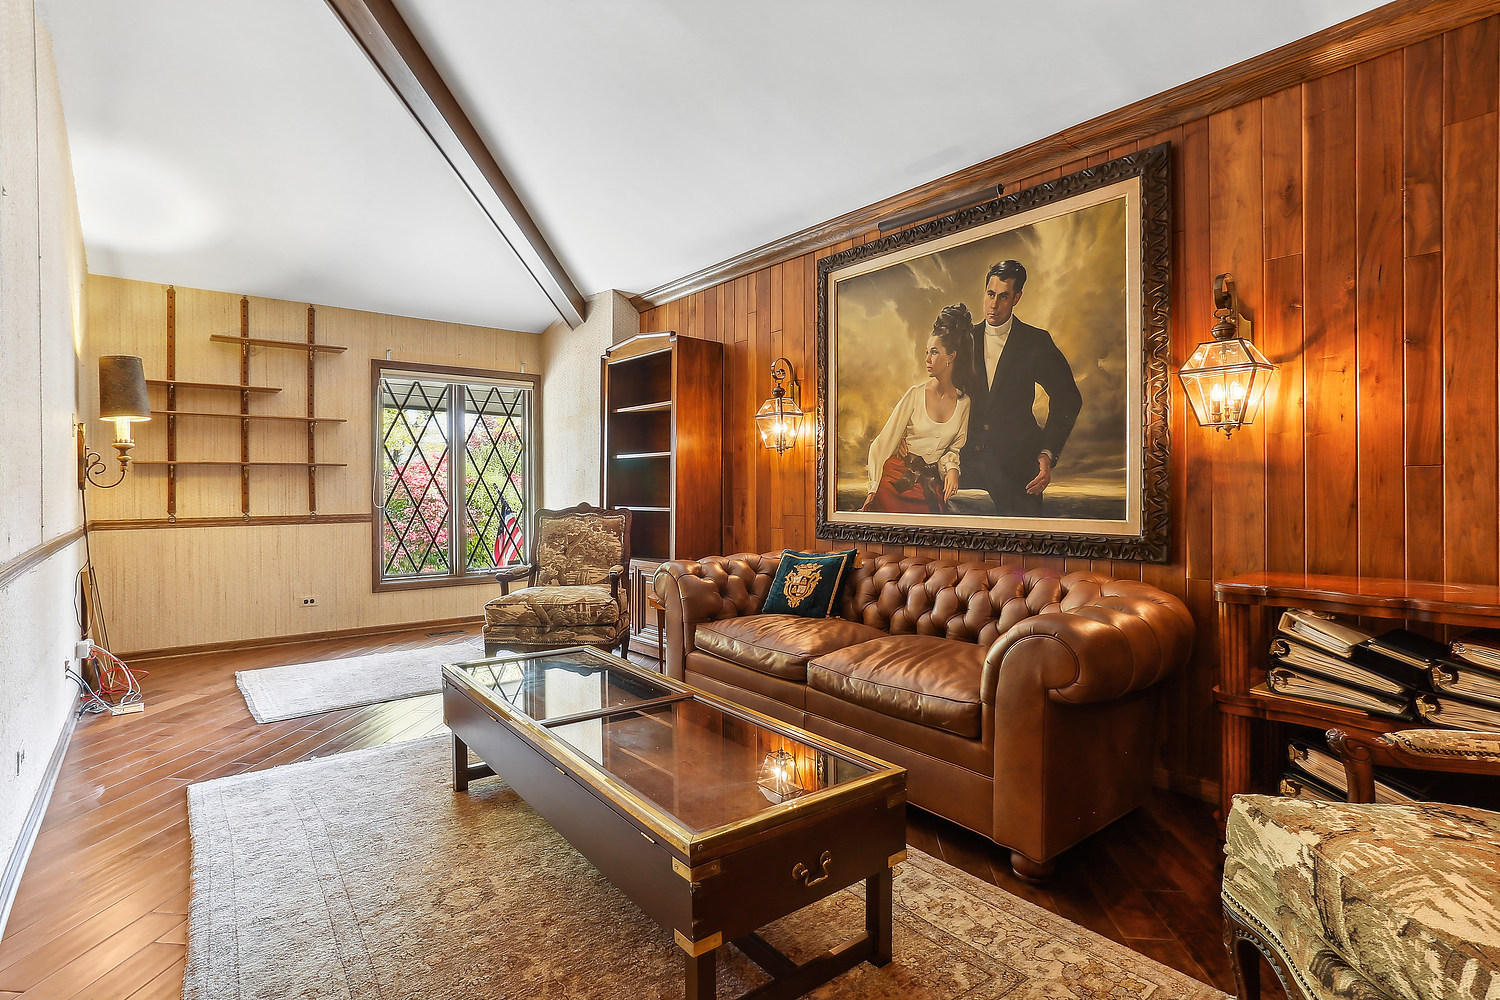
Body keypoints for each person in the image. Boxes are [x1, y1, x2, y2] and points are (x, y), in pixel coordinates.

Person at [959, 259, 1081, 516]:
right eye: (990, 294)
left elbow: (1068, 398)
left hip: (1018, 467)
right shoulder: (963, 339)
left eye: (1003, 297)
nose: (993, 304)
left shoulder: (1035, 341)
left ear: (1017, 298)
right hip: (963, 463)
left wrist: (1047, 452)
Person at [861, 303, 974, 513]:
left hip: (930, 485)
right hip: (898, 480)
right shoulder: (915, 394)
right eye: (927, 352)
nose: (927, 359)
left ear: (951, 356)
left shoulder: (964, 403)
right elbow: (883, 442)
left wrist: (952, 469)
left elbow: (954, 449)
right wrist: (873, 489)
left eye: (934, 352)